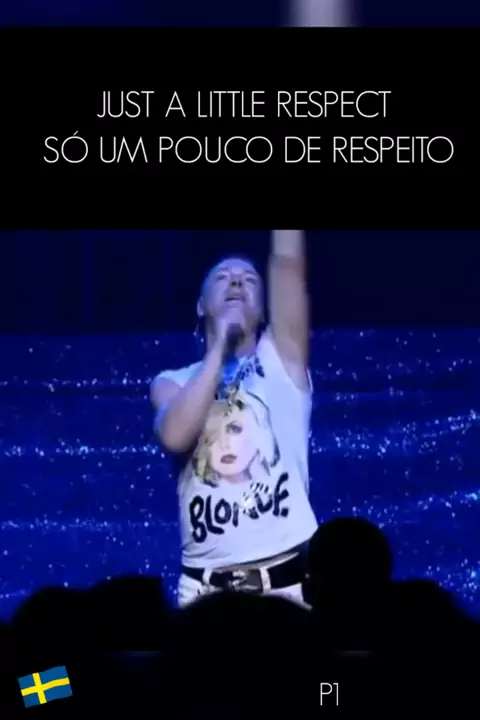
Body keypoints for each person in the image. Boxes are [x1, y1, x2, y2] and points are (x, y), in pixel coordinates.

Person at [150, 230, 318, 606]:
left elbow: (288, 262)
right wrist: (220, 346)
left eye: (249, 279)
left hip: (288, 585)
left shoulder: (282, 359)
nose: (237, 282)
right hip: (204, 590)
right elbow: (176, 435)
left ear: (264, 310)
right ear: (200, 306)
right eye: (223, 277)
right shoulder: (172, 382)